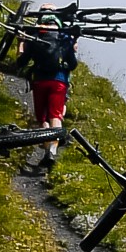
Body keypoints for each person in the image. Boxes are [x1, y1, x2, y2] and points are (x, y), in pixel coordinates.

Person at [16, 9, 77, 171]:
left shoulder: (35, 37)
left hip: (40, 81)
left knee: (42, 118)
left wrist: (21, 43)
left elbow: (21, 62)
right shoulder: (64, 37)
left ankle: (46, 146)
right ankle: (52, 151)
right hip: (59, 81)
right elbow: (73, 64)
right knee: (55, 115)